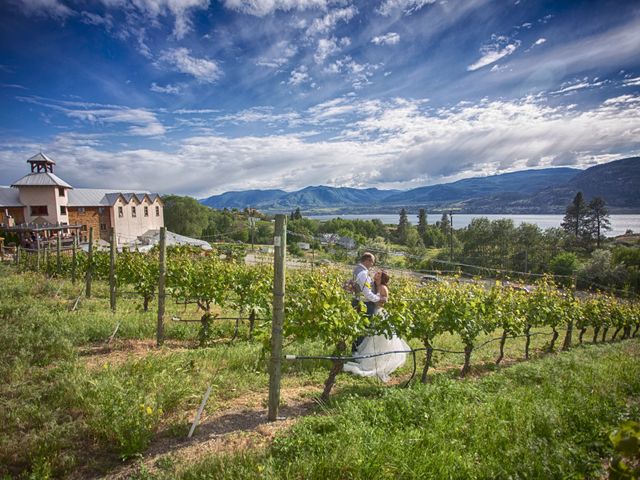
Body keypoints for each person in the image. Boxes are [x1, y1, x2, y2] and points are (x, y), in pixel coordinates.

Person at [343, 271, 411, 383]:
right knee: (371, 337)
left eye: (379, 274)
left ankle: (381, 359)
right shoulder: (373, 285)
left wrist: (375, 300)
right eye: (376, 273)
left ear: (382, 277)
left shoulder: (383, 288)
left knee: (379, 337)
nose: (376, 274)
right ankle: (368, 355)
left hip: (379, 313)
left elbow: (384, 302)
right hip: (373, 312)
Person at [351, 252, 385, 351]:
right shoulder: (363, 273)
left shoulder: (357, 269)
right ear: (368, 260)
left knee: (358, 328)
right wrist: (379, 298)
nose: (372, 265)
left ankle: (355, 351)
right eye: (372, 262)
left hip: (358, 301)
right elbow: (367, 293)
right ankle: (358, 352)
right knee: (363, 329)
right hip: (364, 304)